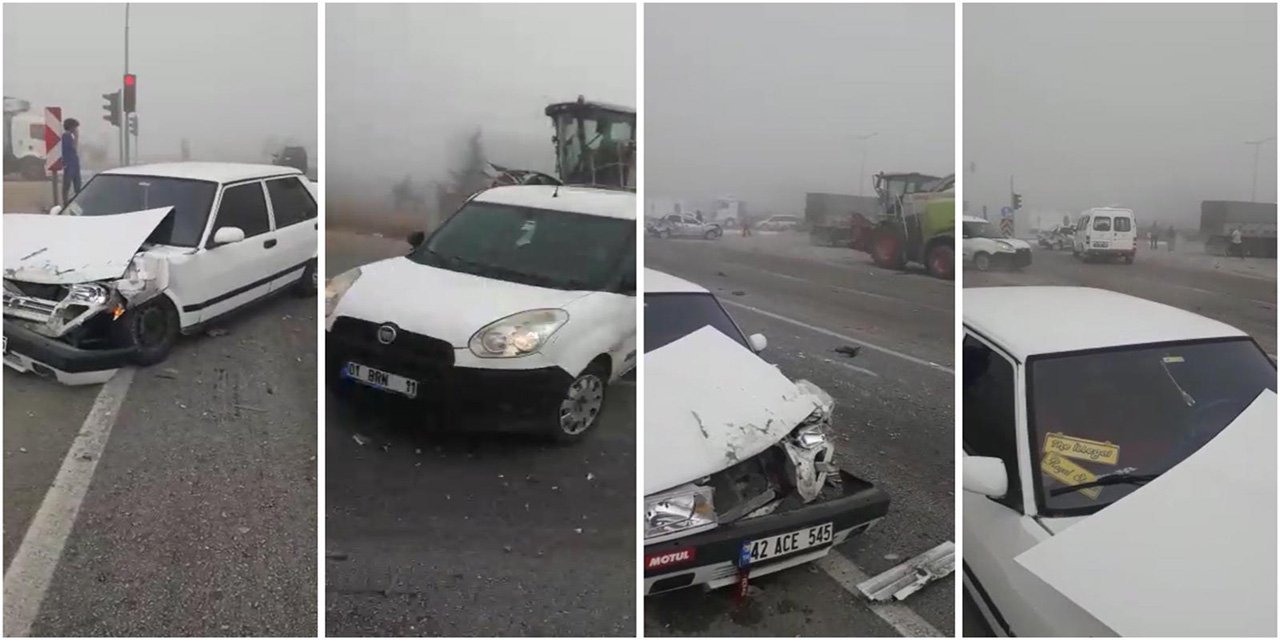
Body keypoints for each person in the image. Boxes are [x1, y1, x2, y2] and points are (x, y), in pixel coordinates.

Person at [60, 118, 81, 204]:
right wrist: (76, 138)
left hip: (73, 163)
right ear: (71, 127)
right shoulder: (66, 136)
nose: (76, 130)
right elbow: (72, 148)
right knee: (68, 185)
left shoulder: (68, 136)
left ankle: (74, 201)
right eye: (75, 127)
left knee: (76, 185)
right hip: (70, 164)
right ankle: (66, 203)